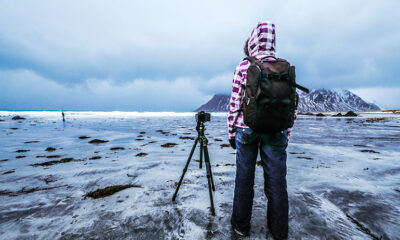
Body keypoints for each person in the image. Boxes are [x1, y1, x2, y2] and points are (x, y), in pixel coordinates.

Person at [227, 21, 295, 239]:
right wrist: (287, 134)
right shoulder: (283, 67)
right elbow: (291, 106)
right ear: (273, 40)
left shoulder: (243, 66)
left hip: (246, 130)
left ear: (254, 38)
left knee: (244, 180)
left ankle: (240, 227)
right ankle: (278, 231)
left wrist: (231, 132)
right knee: (276, 182)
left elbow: (235, 103)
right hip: (276, 131)